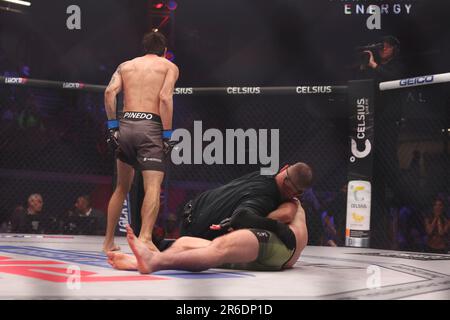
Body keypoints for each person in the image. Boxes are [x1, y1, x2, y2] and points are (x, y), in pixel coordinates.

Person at [103, 29, 179, 252]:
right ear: (164, 51)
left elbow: (109, 93)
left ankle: (108, 242)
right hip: (150, 128)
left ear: (144, 49)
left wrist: (112, 128)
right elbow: (165, 98)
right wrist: (166, 135)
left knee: (121, 187)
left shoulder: (125, 66)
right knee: (153, 185)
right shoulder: (168, 67)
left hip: (125, 125)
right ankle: (145, 238)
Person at [107, 196, 308, 273]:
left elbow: (285, 214)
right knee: (185, 242)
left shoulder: (292, 200)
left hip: (280, 247)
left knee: (221, 247)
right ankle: (139, 262)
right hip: (271, 257)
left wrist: (253, 221)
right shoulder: (275, 194)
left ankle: (154, 262)